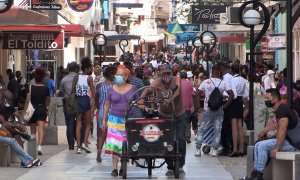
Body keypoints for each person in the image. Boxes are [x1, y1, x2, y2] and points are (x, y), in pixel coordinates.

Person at [140, 64, 187, 176]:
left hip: (179, 114)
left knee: (180, 138)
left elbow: (178, 90)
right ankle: (170, 166)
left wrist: (170, 99)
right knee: (166, 140)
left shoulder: (176, 79)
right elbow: (147, 90)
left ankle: (180, 165)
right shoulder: (157, 83)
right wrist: (142, 99)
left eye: (168, 73)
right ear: (159, 74)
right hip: (164, 115)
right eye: (164, 74)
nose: (166, 75)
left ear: (171, 73)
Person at [249, 88, 298, 180]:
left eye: (268, 98)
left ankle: (258, 174)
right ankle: (254, 174)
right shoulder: (281, 109)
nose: (266, 101)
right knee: (257, 144)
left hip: (292, 144)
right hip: (288, 141)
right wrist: (264, 131)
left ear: (275, 98)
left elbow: (282, 129)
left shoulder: (282, 110)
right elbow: (277, 124)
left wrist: (276, 148)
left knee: (262, 146)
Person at [101, 65, 138, 177]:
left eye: (120, 75)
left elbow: (138, 102)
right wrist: (103, 120)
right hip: (113, 120)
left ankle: (123, 166)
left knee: (125, 144)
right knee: (114, 144)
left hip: (128, 120)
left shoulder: (133, 88)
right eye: (116, 74)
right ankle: (115, 169)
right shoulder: (111, 88)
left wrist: (147, 107)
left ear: (126, 77)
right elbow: (107, 105)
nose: (117, 76)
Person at [195, 64, 234, 157]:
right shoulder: (223, 83)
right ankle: (214, 149)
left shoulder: (206, 82)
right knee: (217, 129)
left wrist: (198, 107)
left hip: (207, 108)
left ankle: (198, 149)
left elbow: (197, 93)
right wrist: (225, 105)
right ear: (219, 72)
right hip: (219, 109)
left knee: (202, 128)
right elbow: (231, 94)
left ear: (211, 72)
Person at [25, 67, 50, 155]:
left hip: (32, 109)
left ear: (35, 77)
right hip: (42, 108)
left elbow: (28, 100)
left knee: (32, 129)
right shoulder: (46, 88)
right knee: (40, 128)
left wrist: (25, 111)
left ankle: (32, 148)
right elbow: (48, 100)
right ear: (43, 77)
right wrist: (47, 108)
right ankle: (39, 146)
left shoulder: (31, 87)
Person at [95, 66, 116, 162]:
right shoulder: (116, 86)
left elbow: (96, 99)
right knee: (114, 133)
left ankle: (99, 152)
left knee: (102, 133)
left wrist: (98, 108)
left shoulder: (99, 85)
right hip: (114, 111)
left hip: (102, 111)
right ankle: (114, 153)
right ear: (110, 74)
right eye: (114, 74)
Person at [228, 63, 248, 157]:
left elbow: (234, 94)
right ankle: (241, 149)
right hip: (240, 102)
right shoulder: (243, 80)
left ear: (231, 70)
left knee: (234, 128)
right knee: (240, 127)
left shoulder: (232, 80)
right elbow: (245, 94)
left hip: (234, 102)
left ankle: (235, 149)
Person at [75, 57, 95, 154]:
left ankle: (78, 146)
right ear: (87, 68)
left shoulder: (77, 77)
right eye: (90, 67)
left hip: (78, 100)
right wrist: (94, 102)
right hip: (85, 100)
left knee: (78, 123)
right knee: (87, 123)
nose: (91, 69)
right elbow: (93, 92)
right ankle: (84, 143)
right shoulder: (89, 78)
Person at [59, 62, 78, 150]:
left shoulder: (64, 79)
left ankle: (71, 144)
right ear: (76, 69)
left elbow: (61, 92)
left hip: (68, 103)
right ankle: (79, 142)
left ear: (68, 69)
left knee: (70, 123)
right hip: (78, 102)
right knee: (79, 122)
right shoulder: (79, 78)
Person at [180, 71, 194, 144]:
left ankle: (181, 136)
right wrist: (192, 105)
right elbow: (191, 95)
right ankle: (187, 137)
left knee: (180, 121)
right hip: (187, 106)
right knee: (187, 122)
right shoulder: (189, 83)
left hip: (179, 107)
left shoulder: (178, 83)